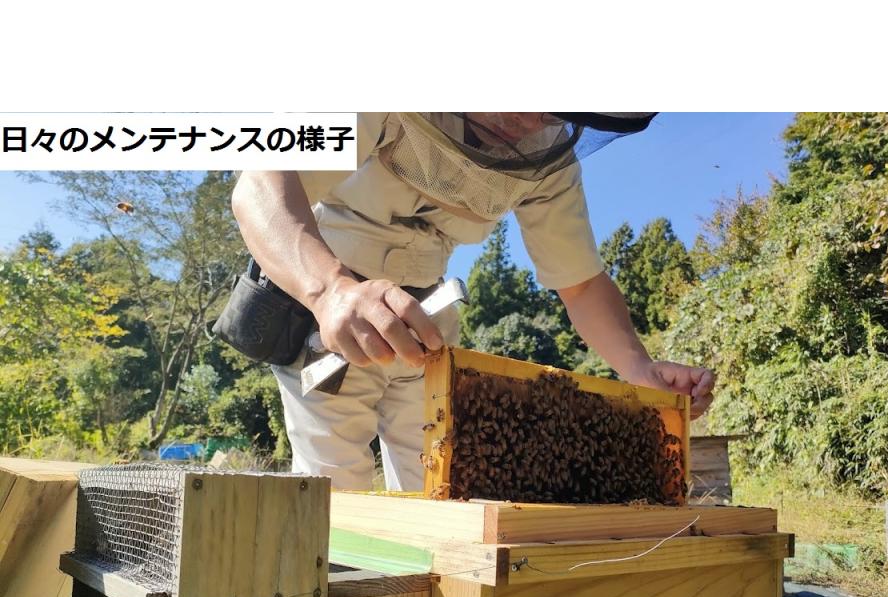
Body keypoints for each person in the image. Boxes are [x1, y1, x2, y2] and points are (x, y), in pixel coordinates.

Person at [231, 112, 715, 490]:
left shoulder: (547, 160)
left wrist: (638, 369)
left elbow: (581, 283)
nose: (528, 123)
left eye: (552, 113)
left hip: (429, 316)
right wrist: (331, 289)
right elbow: (263, 180)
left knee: (440, 489)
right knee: (332, 494)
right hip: (331, 312)